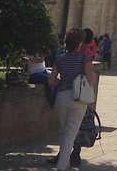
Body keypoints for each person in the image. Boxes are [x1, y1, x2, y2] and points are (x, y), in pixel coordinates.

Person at [47, 28, 96, 171]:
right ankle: (61, 166)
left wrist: (62, 83)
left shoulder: (60, 59)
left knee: (65, 132)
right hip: (77, 98)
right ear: (79, 43)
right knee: (70, 134)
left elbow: (51, 81)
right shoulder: (84, 58)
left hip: (61, 97)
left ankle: (65, 163)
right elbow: (90, 78)